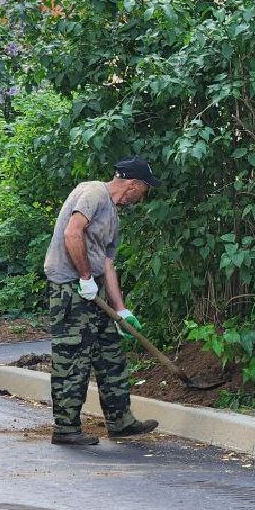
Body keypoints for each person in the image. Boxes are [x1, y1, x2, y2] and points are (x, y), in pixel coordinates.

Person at [42, 156, 161, 446]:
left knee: (110, 354)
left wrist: (121, 309)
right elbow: (73, 233)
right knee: (74, 358)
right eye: (145, 189)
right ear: (134, 184)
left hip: (91, 289)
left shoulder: (113, 216)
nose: (142, 197)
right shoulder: (94, 192)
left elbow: (107, 263)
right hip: (70, 288)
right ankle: (66, 429)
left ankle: (121, 422)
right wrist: (83, 277)